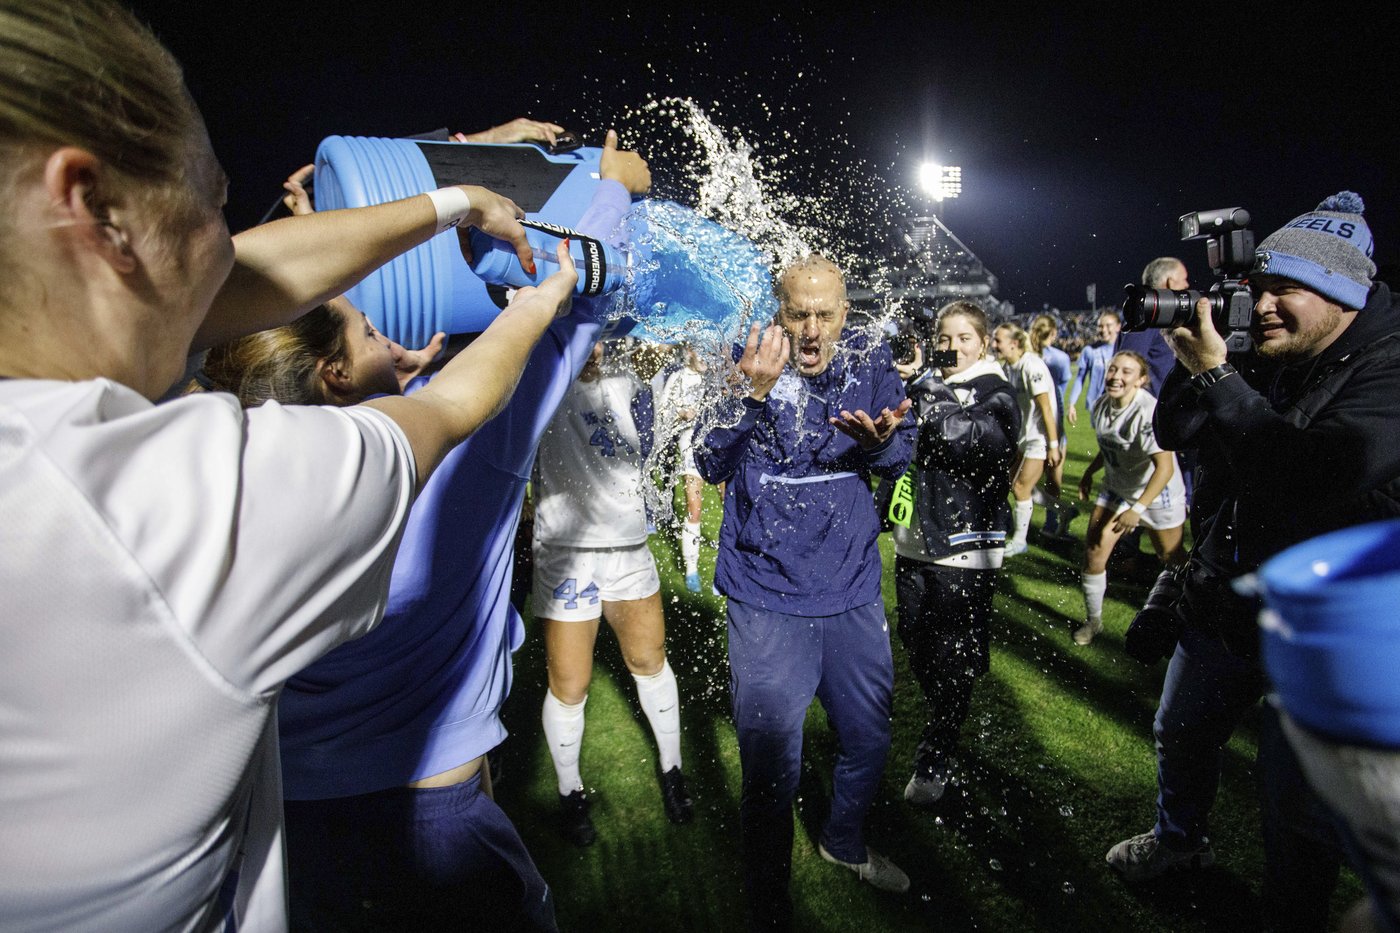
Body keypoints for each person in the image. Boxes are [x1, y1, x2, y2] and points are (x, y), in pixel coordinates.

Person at [0, 2, 575, 929]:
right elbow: (448, 408)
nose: (228, 236)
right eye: (212, 200)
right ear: (92, 207)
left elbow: (242, 279)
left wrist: (458, 201)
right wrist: (548, 297)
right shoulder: (169, 513)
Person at [200, 132, 650, 930]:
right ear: (335, 373)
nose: (388, 332)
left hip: (291, 827)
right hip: (439, 820)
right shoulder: (461, 451)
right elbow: (573, 297)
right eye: (368, 330)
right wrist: (614, 188)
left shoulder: (222, 469)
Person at [1105, 193, 1400, 931]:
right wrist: (1200, 365)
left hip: (1320, 620)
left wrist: (1221, 379)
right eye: (1257, 287)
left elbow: (1305, 479)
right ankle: (1178, 845)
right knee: (1180, 728)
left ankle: (1289, 913)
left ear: (1342, 295)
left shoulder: (1389, 371)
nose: (1262, 305)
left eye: (1284, 291)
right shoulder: (1277, 344)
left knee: (1293, 796)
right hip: (1228, 589)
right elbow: (1175, 428)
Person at [694, 255, 915, 930]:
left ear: (846, 313)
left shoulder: (870, 360)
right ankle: (768, 895)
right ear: (778, 311)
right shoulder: (744, 357)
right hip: (766, 597)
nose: (812, 329)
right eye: (798, 313)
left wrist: (878, 448)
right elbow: (708, 460)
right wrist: (751, 397)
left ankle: (842, 840)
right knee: (769, 765)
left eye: (825, 313)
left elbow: (901, 453)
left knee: (870, 738)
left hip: (849, 591)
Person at [533, 338, 694, 848]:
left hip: (627, 546)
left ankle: (672, 772)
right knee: (571, 685)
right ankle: (569, 791)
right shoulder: (542, 374)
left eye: (603, 332)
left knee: (650, 660)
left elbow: (670, 346)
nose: (595, 346)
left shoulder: (631, 366)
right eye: (584, 332)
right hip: (566, 551)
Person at [883, 300, 1019, 805]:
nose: (951, 347)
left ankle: (936, 753)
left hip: (965, 546)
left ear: (983, 342)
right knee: (916, 641)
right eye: (944, 337)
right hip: (916, 539)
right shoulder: (925, 388)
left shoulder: (998, 392)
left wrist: (924, 383)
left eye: (963, 338)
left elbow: (967, 439)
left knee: (952, 657)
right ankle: (951, 701)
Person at [1073, 351, 1187, 646]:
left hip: (1156, 492)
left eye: (1126, 372)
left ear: (1141, 380)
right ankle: (1094, 621)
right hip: (1116, 489)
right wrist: (1089, 472)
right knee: (1094, 554)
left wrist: (1138, 508)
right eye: (1113, 369)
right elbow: (1110, 446)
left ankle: (1188, 620)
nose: (1116, 376)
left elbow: (1165, 467)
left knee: (1172, 560)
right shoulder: (1100, 405)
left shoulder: (1147, 412)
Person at [992, 322, 1062, 556]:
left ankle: (1020, 541)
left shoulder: (1032, 366)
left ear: (1014, 344)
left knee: (1020, 487)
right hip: (1022, 436)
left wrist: (1053, 445)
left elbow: (1046, 409)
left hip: (1039, 438)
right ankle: (1062, 510)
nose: (995, 345)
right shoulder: (1009, 367)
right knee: (1018, 486)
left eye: (998, 340)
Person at [658, 343, 710, 592]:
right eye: (702, 350)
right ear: (690, 350)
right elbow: (663, 412)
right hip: (690, 445)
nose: (706, 357)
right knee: (694, 507)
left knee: (729, 500)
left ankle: (730, 565)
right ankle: (692, 569)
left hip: (719, 447)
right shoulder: (678, 378)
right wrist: (680, 413)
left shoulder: (716, 377)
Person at [1030, 314, 1076, 539]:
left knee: (1023, 481)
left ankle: (1047, 521)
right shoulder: (1060, 358)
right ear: (1054, 333)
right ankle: (1053, 522)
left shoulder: (1028, 356)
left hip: (1032, 424)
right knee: (1053, 480)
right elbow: (1062, 388)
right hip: (1054, 422)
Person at [1117, 257, 1187, 395]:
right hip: (1151, 411)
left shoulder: (1154, 316)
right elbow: (1126, 367)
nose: (1186, 285)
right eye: (1184, 279)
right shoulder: (1149, 317)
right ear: (1170, 282)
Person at [1066, 309, 1121, 424]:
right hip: (1097, 406)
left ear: (1118, 327)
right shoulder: (1089, 351)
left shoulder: (1124, 349)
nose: (1104, 329)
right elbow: (1080, 378)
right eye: (1100, 326)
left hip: (1120, 405)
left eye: (1108, 325)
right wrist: (1071, 404)